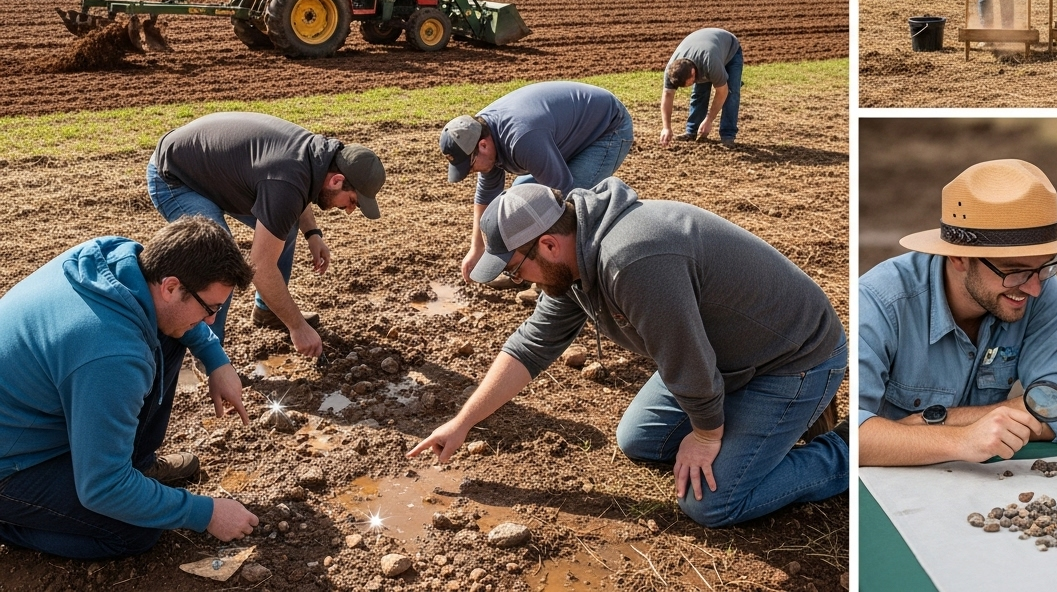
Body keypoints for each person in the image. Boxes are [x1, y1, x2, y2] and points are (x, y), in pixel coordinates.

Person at [410, 178, 848, 527]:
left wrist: (707, 435)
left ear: (546, 244)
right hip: (723, 354)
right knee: (640, 440)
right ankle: (746, 420)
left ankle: (846, 450)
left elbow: (685, 357)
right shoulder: (574, 258)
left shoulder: (634, 260)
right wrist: (463, 422)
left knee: (713, 504)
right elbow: (532, 344)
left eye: (514, 268)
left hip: (792, 358)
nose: (520, 280)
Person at [0, 216, 260, 559]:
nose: (212, 320)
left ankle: (138, 466)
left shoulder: (115, 259)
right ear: (170, 286)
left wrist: (216, 358)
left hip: (23, 418)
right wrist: (205, 512)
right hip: (11, 467)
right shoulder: (113, 354)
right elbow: (102, 488)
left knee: (172, 333)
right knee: (134, 531)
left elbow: (174, 317)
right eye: (210, 308)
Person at [858, 159, 1057, 467]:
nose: (1035, 289)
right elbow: (852, 439)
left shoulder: (1039, 288)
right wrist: (963, 439)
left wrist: (928, 424)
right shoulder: (879, 300)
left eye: (1045, 266)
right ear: (959, 257)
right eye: (1015, 271)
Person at [147, 112, 386, 358]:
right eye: (353, 202)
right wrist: (297, 326)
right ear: (337, 180)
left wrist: (312, 233)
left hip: (212, 170)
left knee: (284, 226)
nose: (348, 210)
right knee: (216, 260)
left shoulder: (317, 156)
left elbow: (296, 191)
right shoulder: (288, 179)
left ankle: (267, 311)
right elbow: (260, 265)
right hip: (175, 176)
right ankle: (210, 355)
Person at [443, 81, 635, 301]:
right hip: (567, 135)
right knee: (518, 196)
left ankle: (548, 279)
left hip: (607, 129)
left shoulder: (521, 138)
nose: (471, 172)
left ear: (483, 145)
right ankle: (518, 268)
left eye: (470, 165)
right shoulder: (479, 133)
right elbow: (487, 196)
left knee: (569, 202)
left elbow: (560, 195)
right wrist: (477, 249)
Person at [659, 28, 743, 147]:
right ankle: (692, 131)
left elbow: (722, 92)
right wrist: (666, 127)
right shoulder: (671, 70)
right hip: (703, 48)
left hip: (730, 49)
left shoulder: (710, 62)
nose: (688, 86)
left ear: (693, 72)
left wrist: (709, 120)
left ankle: (727, 136)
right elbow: (667, 95)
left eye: (688, 83)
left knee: (731, 92)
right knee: (699, 93)